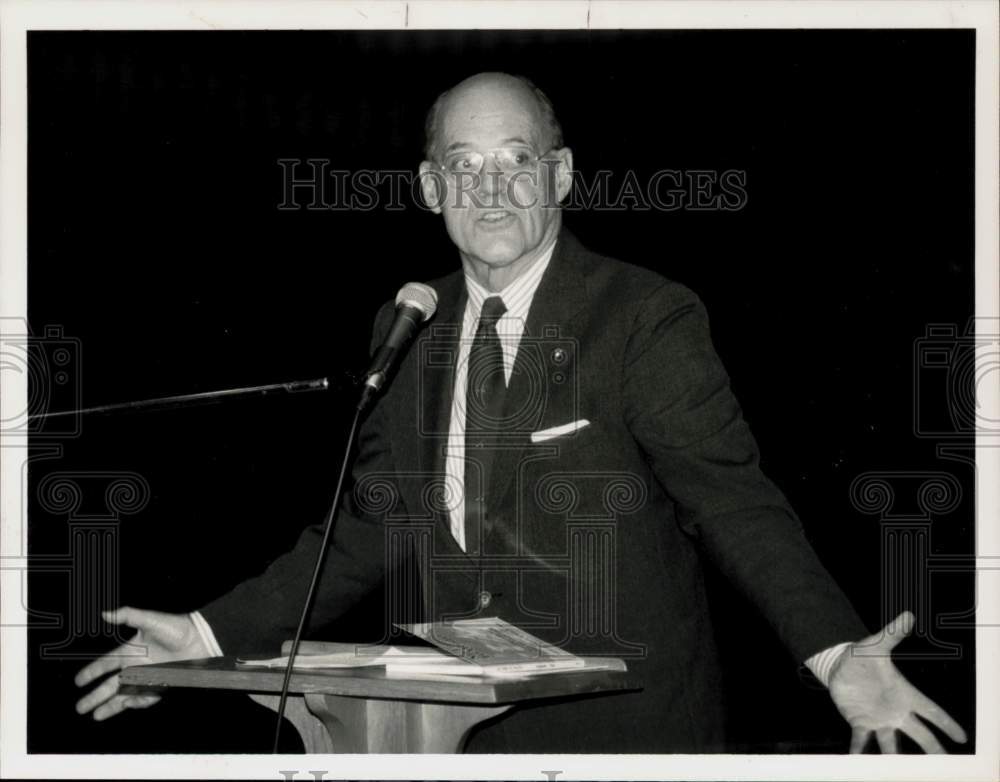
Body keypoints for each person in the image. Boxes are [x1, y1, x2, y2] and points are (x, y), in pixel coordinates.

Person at [75, 72, 967, 754]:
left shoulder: (643, 315)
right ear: (431, 188)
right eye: (465, 166)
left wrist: (834, 650)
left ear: (562, 175)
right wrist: (203, 632)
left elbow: (731, 501)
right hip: (449, 737)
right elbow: (371, 530)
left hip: (625, 737)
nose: (491, 189)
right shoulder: (409, 323)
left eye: (517, 161)